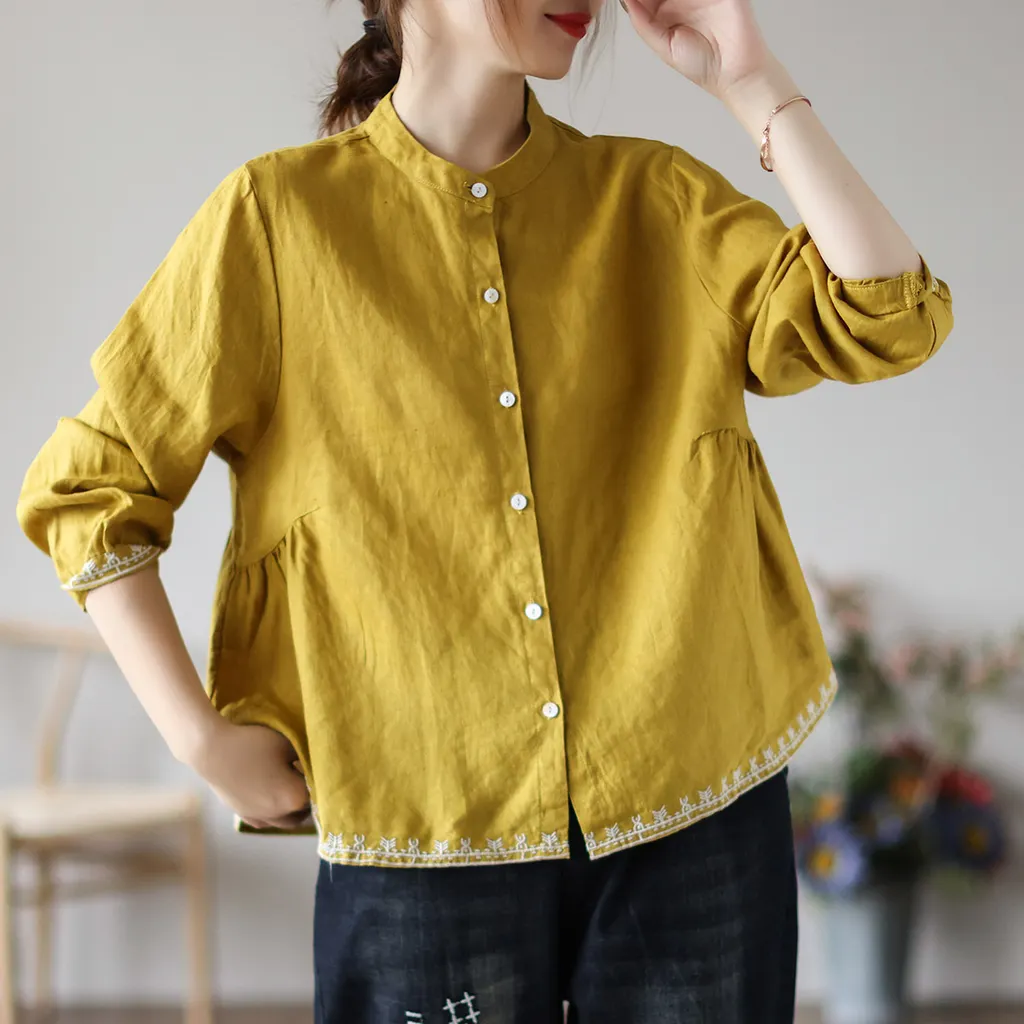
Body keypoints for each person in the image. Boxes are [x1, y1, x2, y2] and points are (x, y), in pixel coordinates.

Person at [16, 0, 954, 1019]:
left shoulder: (655, 200)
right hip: (419, 818)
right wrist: (197, 738)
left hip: (693, 797)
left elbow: (885, 315)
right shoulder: (277, 223)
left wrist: (752, 82)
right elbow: (89, 489)